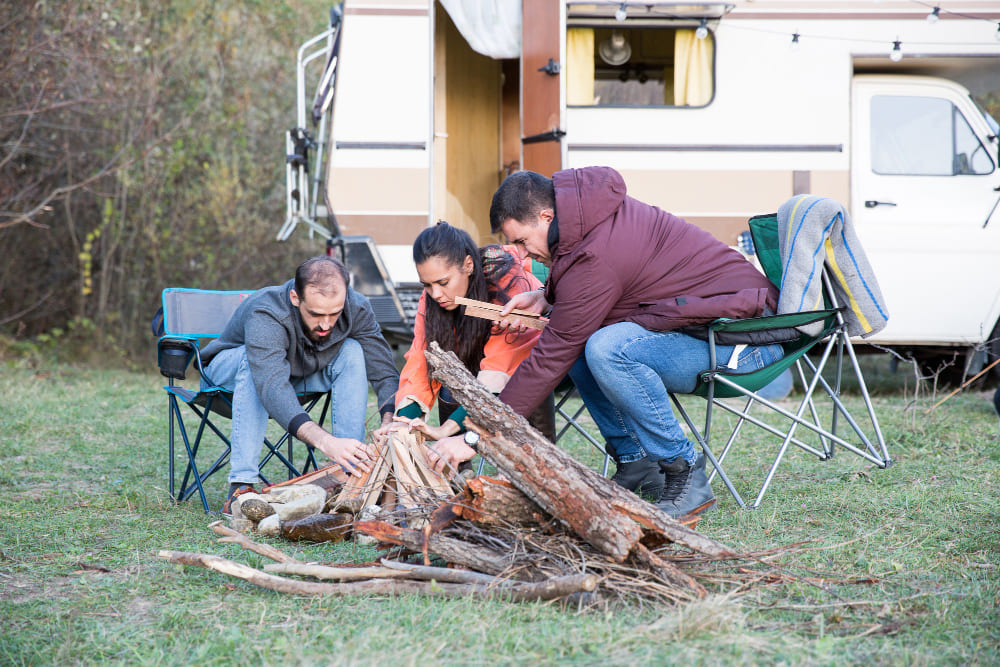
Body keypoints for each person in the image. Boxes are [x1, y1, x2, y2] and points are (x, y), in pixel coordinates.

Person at [485, 166, 787, 518]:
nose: (521, 254)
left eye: (521, 241)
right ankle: (638, 464)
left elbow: (553, 351)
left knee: (609, 349)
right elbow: (600, 284)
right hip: (710, 330)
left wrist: (484, 430)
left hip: (746, 341)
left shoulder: (595, 248)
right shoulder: (591, 221)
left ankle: (684, 472)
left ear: (547, 216)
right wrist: (546, 296)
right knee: (587, 346)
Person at [201, 255, 399, 514]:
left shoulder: (356, 306)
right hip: (229, 373)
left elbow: (383, 369)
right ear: (296, 298)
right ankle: (241, 487)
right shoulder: (267, 310)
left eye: (335, 314)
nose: (327, 324)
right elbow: (271, 386)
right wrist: (326, 442)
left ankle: (349, 473)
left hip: (295, 374)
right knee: (253, 363)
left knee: (352, 350)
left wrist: (389, 418)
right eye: (316, 314)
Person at [380, 222, 554, 474]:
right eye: (427, 285)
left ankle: (541, 468)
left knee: (525, 377)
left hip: (525, 371)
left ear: (468, 265)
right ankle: (459, 473)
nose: (436, 293)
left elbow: (501, 366)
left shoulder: (506, 280)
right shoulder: (431, 297)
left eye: (443, 282)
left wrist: (450, 429)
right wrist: (407, 418)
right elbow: (420, 359)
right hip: (474, 375)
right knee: (450, 382)